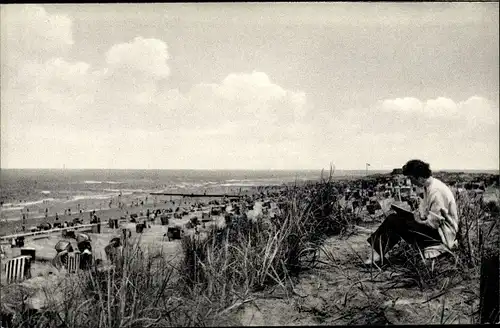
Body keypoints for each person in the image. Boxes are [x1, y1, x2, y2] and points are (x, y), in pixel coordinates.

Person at [364, 159, 460, 265]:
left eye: (410, 178)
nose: (410, 181)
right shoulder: (429, 187)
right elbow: (426, 214)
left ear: (419, 177)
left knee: (394, 221)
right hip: (434, 231)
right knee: (395, 219)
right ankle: (377, 254)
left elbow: (434, 224)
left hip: (441, 236)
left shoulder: (437, 192)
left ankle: (376, 255)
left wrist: (417, 219)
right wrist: (416, 216)